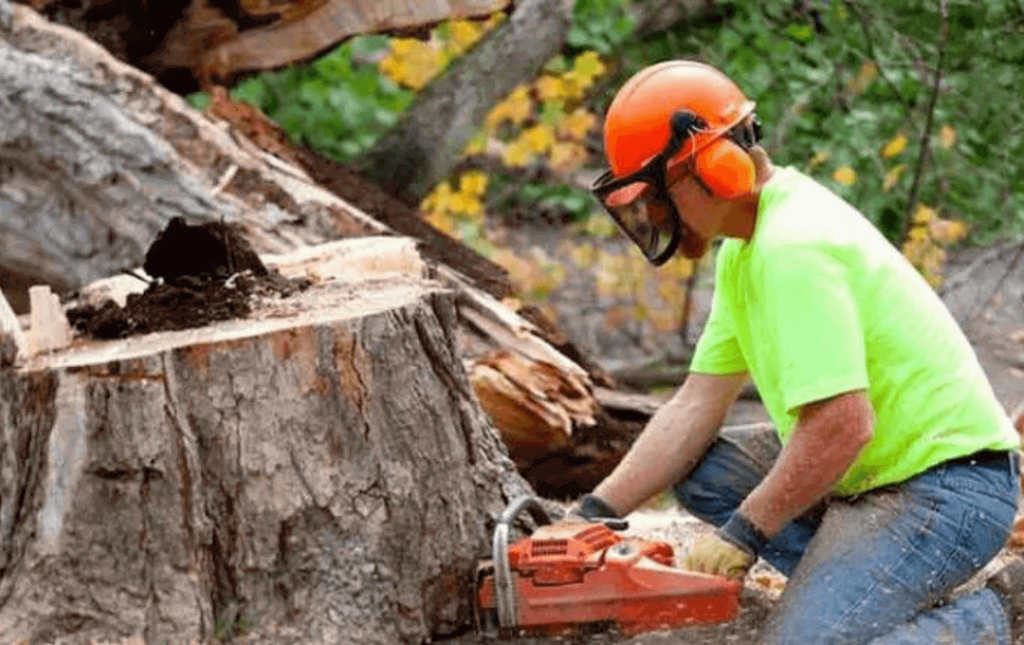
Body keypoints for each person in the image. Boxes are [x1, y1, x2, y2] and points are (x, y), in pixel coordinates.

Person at [575, 59, 1024, 644]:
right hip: (875, 473)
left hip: (946, 488)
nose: (653, 216)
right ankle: (861, 586)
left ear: (713, 167)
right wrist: (591, 512)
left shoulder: (794, 248)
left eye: (657, 196)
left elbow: (842, 425)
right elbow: (694, 405)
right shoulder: (745, 244)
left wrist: (745, 532)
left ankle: (995, 612)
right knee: (703, 470)